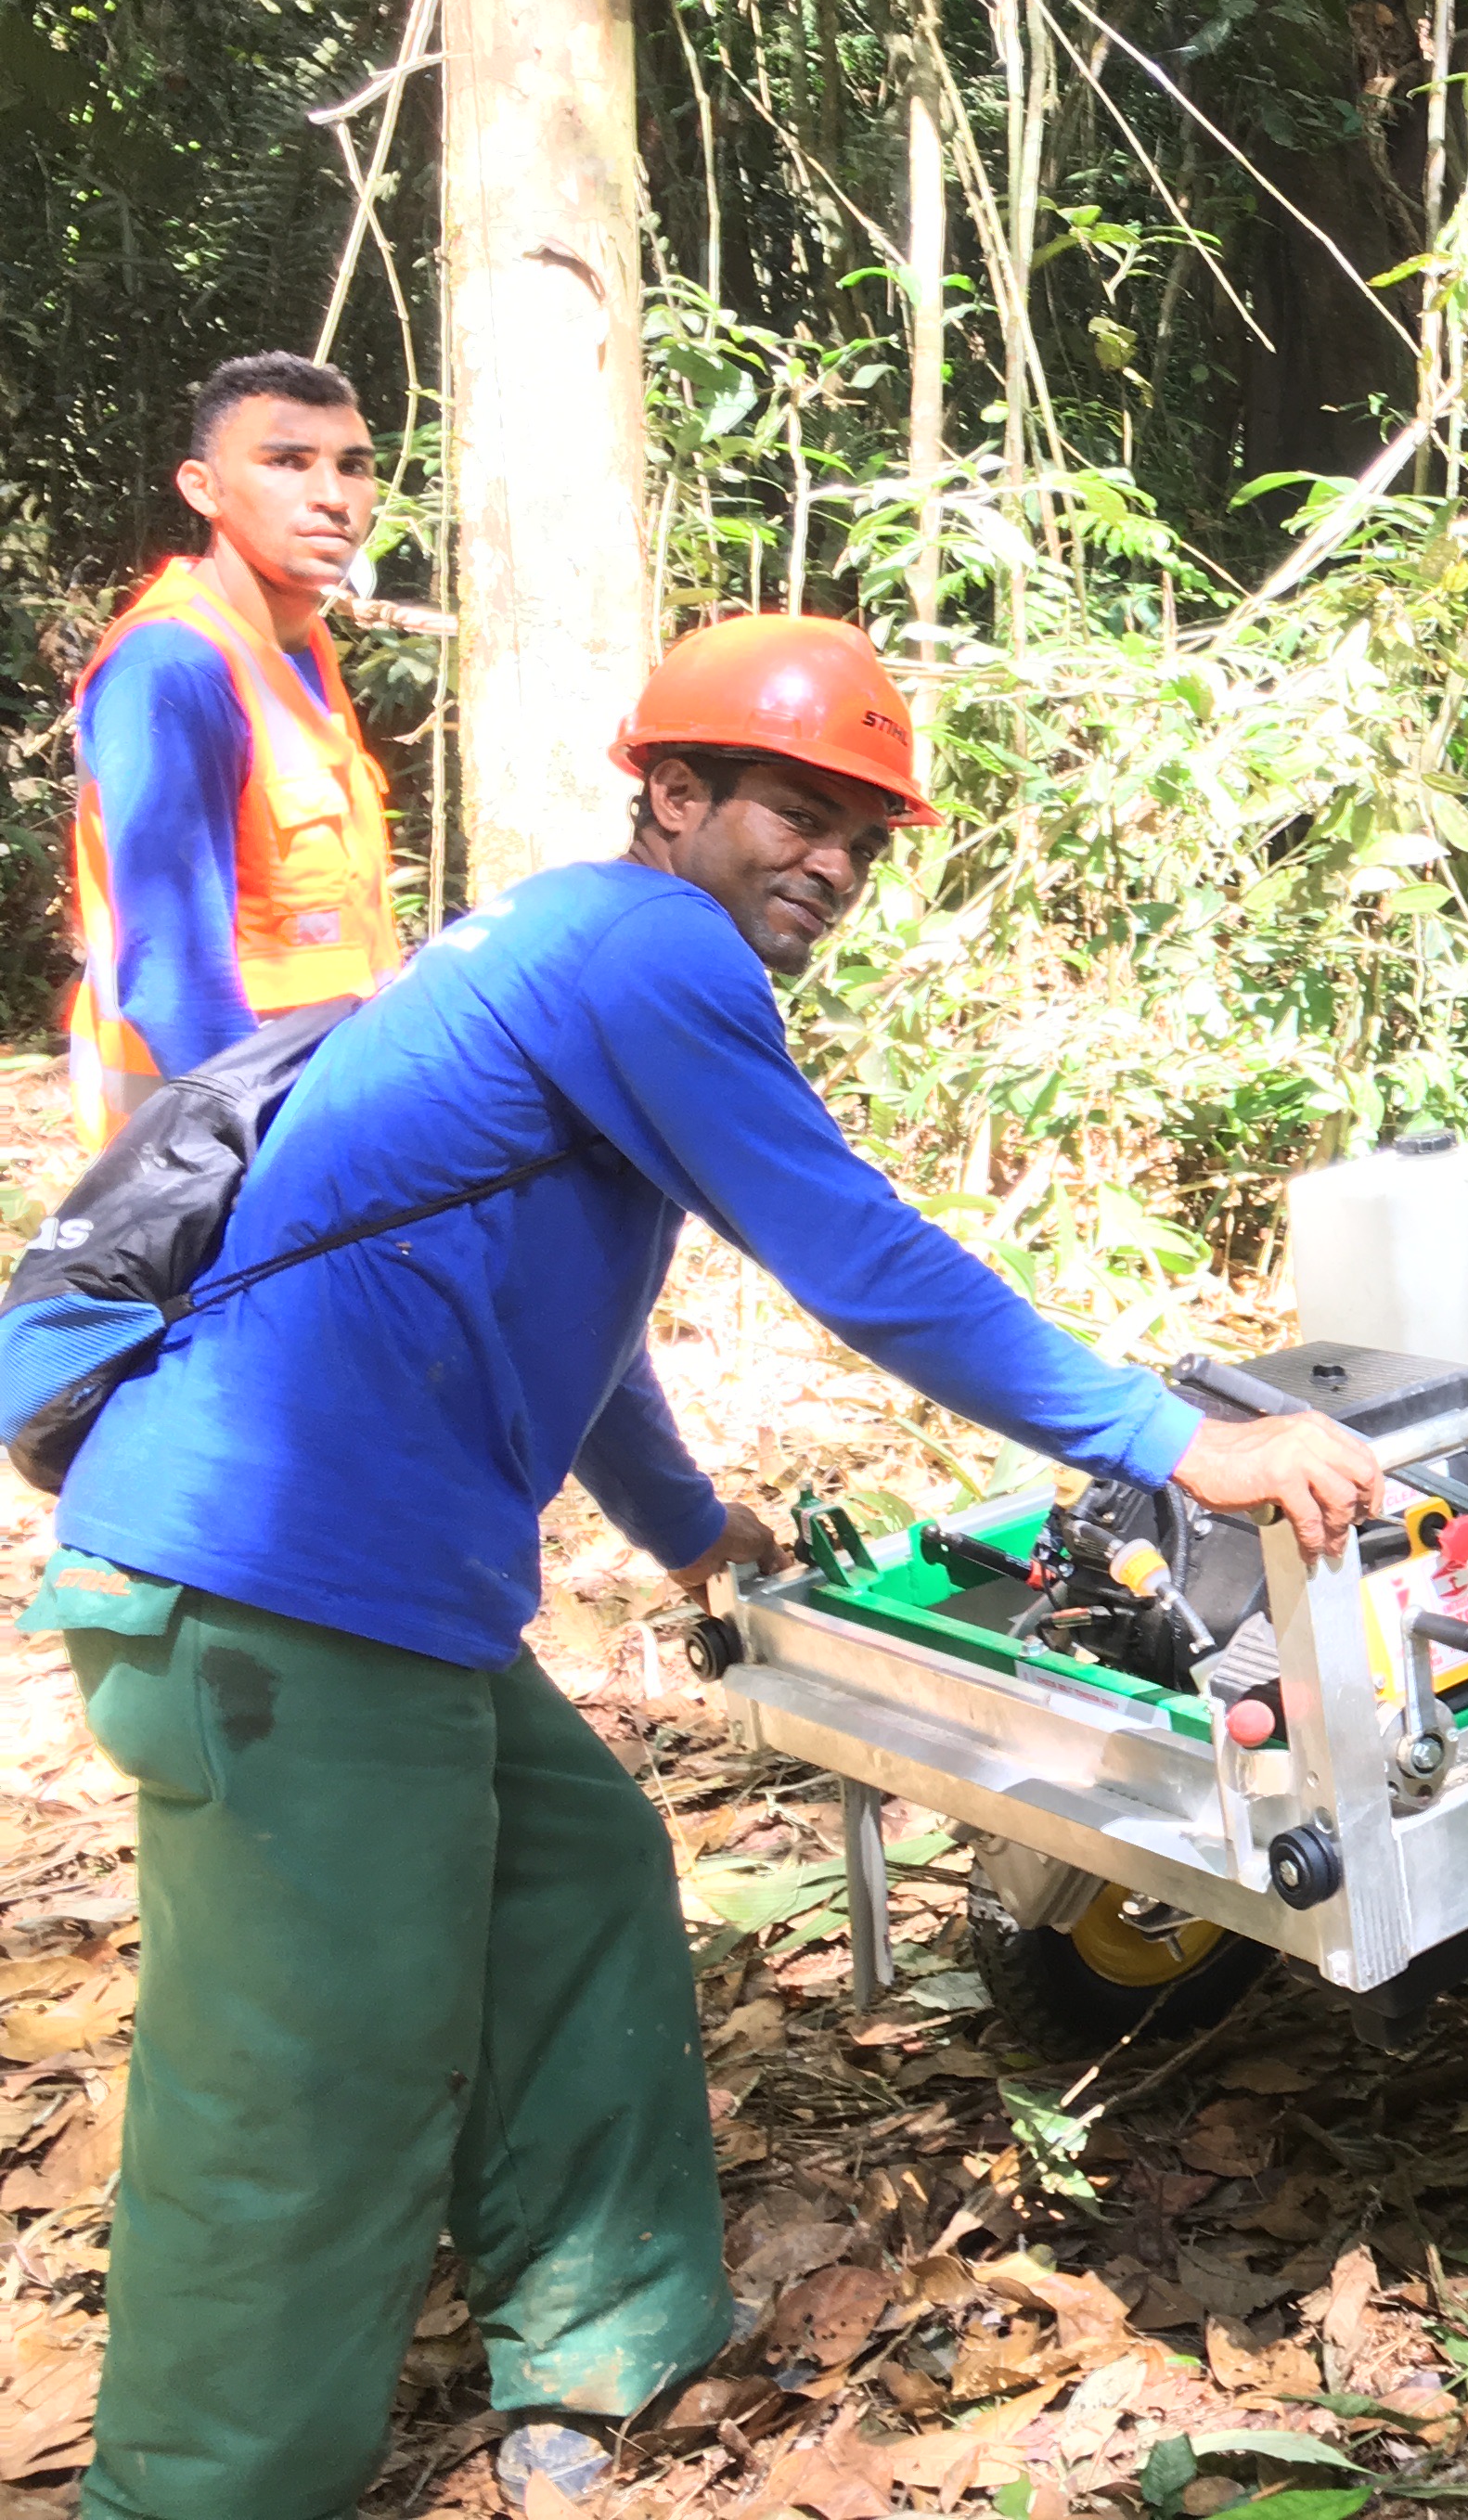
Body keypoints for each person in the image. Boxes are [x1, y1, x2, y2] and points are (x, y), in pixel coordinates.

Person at [21, 614, 1386, 2520]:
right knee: (305, 2089)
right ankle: (197, 2495)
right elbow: (861, 1257)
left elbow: (560, 1308)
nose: (828, 861)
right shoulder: (653, 953)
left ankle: (599, 2351)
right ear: (672, 792)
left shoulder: (578, 948)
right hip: (267, 1588)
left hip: (366, 1590)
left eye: (861, 835)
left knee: (577, 1867)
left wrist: (683, 1527)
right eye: (792, 810)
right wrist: (1179, 1441)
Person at [65, 352, 404, 1148]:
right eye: (286, 462)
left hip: (325, 1102)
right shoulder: (174, 665)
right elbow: (174, 977)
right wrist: (267, 1164)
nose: (331, 495)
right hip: (208, 1149)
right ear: (203, 488)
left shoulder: (301, 640)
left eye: (352, 466)